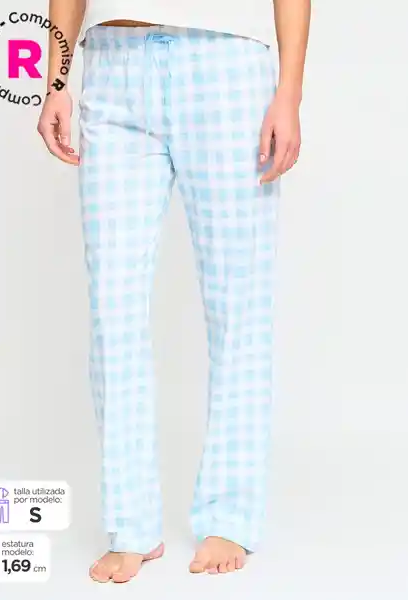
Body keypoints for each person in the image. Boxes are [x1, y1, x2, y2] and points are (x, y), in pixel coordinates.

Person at [38, 0, 310, 584]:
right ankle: (130, 523)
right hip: (112, 65)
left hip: (226, 64)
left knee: (238, 302)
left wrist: (289, 93)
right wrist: (55, 83)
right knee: (112, 309)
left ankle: (229, 515)